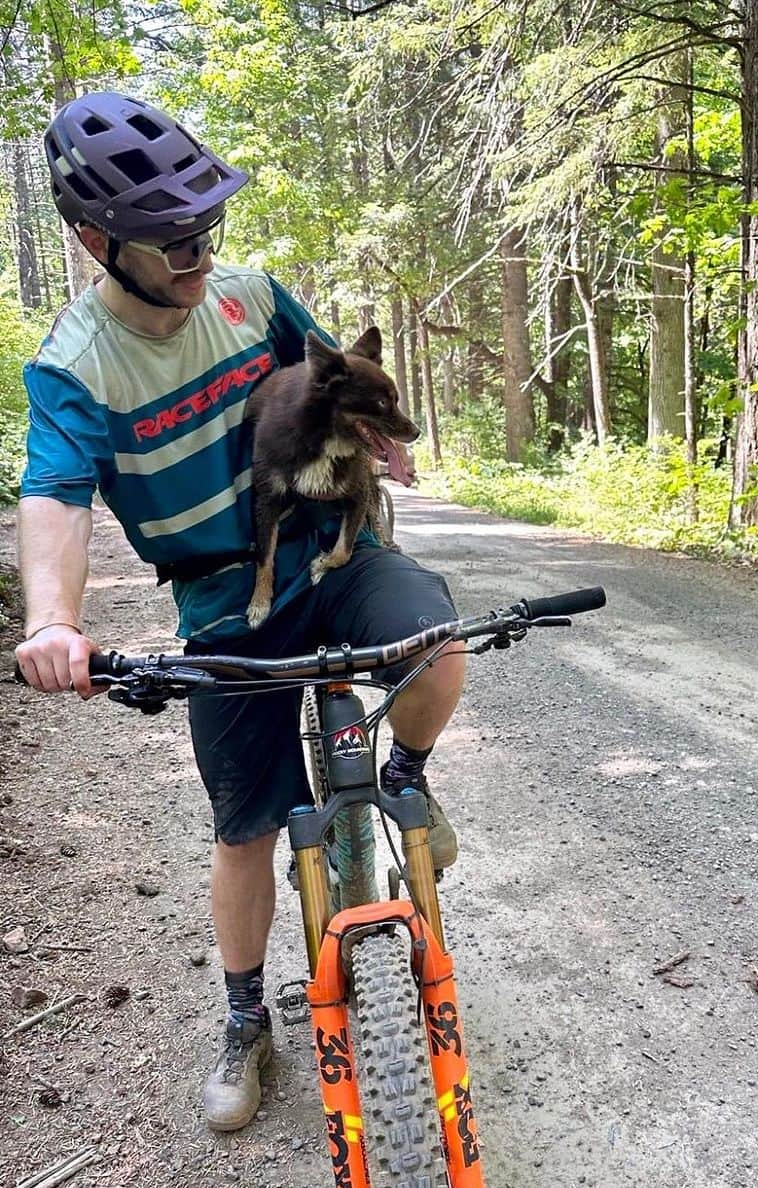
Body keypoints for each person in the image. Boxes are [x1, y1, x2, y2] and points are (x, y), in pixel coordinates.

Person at [13, 91, 465, 1133]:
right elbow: (56, 497)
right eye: (172, 242)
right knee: (245, 827)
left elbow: (345, 383)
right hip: (225, 601)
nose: (198, 256)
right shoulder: (75, 366)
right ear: (94, 242)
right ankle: (246, 1015)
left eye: (204, 229)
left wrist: (386, 447)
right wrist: (52, 618)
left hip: (332, 554)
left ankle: (408, 780)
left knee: (437, 644)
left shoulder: (255, 302)